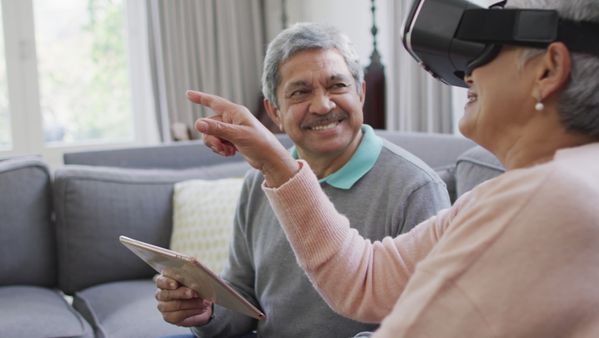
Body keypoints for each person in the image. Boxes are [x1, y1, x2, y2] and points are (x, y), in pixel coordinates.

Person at [182, 0, 599, 336]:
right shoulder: (571, 184)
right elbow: (363, 281)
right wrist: (275, 163)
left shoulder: (546, 201)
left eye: (487, 51)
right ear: (275, 109)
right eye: (300, 93)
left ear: (548, 69)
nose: (466, 74)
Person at [154, 22, 451, 338]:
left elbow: (428, 321)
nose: (323, 105)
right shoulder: (260, 181)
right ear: (275, 112)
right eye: (300, 92)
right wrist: (206, 312)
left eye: (337, 85)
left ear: (360, 93)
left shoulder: (416, 188)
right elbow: (243, 297)